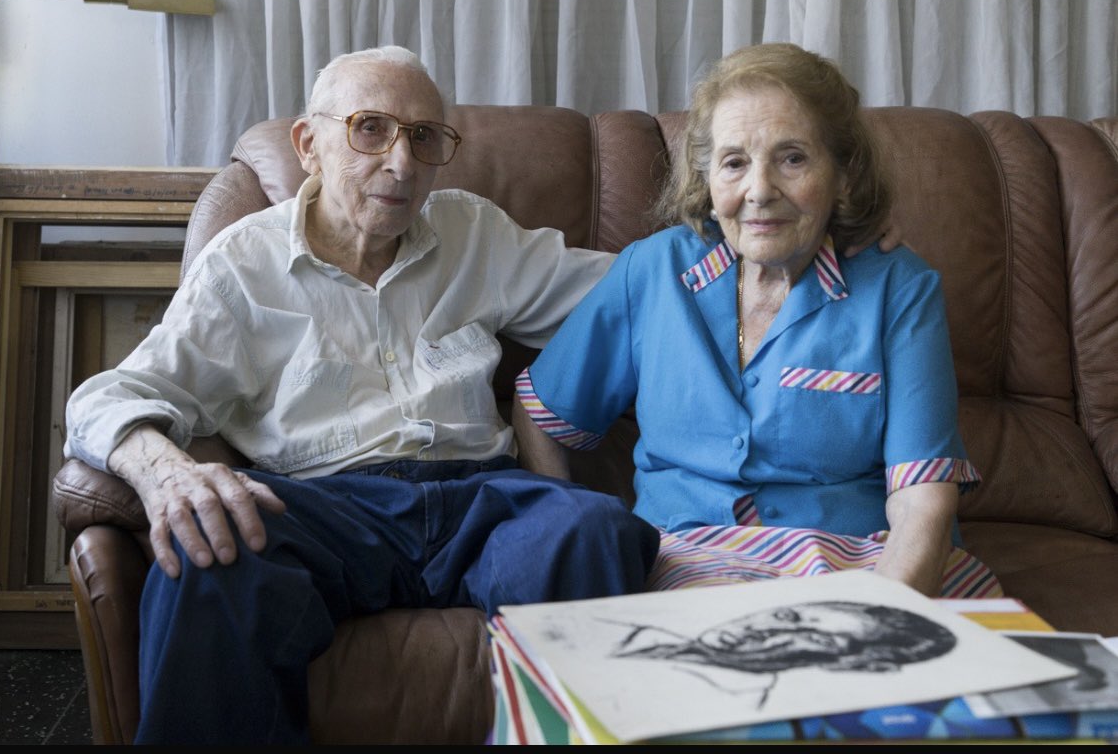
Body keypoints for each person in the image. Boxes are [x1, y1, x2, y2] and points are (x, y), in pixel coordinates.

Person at [62, 45, 660, 744]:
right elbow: (111, 395)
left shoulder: (477, 234)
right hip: (321, 509)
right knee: (209, 559)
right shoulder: (243, 265)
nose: (402, 163)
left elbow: (632, 294)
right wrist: (165, 472)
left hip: (482, 504)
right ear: (309, 145)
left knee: (594, 532)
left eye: (424, 138)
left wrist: (744, 251)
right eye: (370, 129)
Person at [513, 42, 1002, 600]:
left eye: (793, 158)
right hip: (681, 563)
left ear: (843, 175)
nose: (760, 190)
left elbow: (923, 499)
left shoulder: (899, 287)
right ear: (707, 179)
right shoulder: (653, 272)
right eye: (735, 162)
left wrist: (883, 618)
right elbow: (541, 412)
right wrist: (573, 539)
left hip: (859, 565)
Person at [610, 601, 957, 709]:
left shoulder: (731, 701)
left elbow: (923, 506)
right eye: (786, 617)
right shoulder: (615, 624)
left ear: (856, 665)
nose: (763, 632)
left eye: (815, 639)